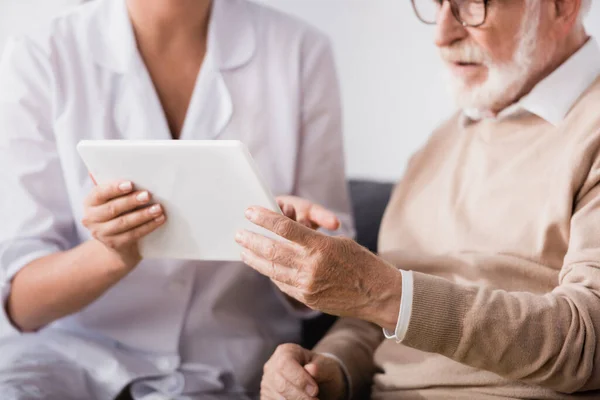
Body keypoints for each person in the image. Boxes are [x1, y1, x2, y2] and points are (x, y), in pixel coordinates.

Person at [236, 0, 600, 399]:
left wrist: (383, 291)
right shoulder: (439, 145)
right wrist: (327, 369)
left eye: (471, 7)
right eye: (438, 5)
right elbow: (378, 321)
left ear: (562, 7)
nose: (442, 35)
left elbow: (589, 341)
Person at [0, 0, 354, 398]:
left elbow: (338, 282)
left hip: (228, 367)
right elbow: (20, 304)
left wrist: (295, 245)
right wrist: (113, 253)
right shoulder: (41, 55)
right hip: (65, 363)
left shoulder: (301, 52)